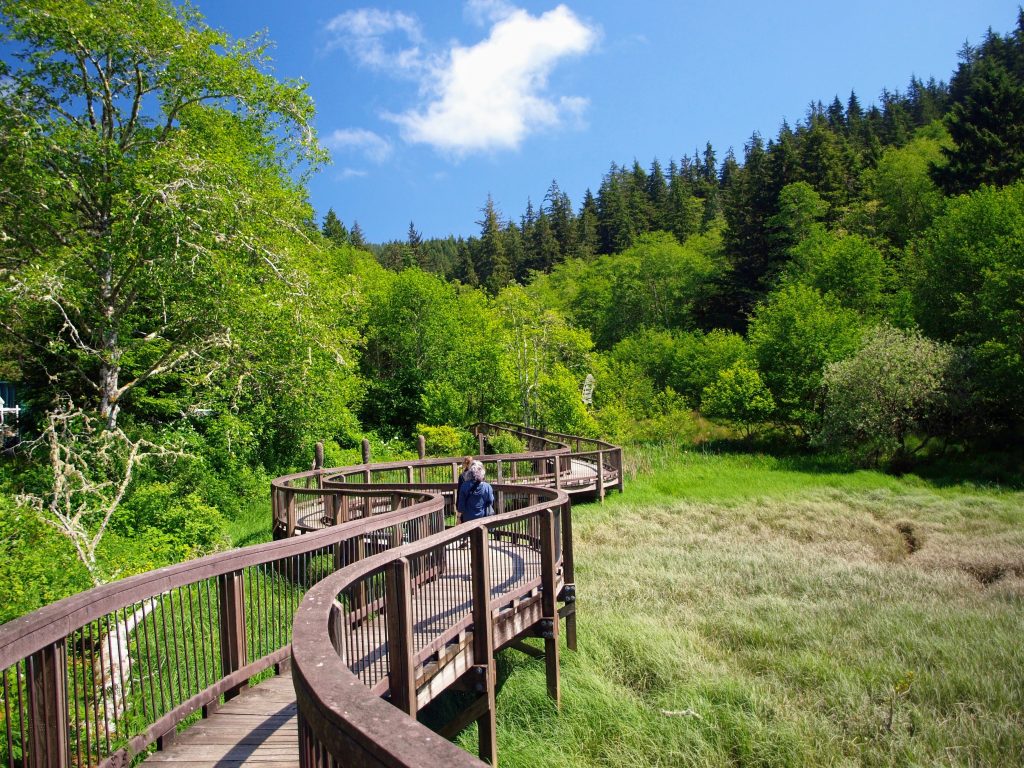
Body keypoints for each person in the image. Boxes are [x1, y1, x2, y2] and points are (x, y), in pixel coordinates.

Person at [454, 456, 473, 522]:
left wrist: (457, 505)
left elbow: (459, 492)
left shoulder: (462, 476)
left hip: (465, 503)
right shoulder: (476, 474)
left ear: (465, 464)